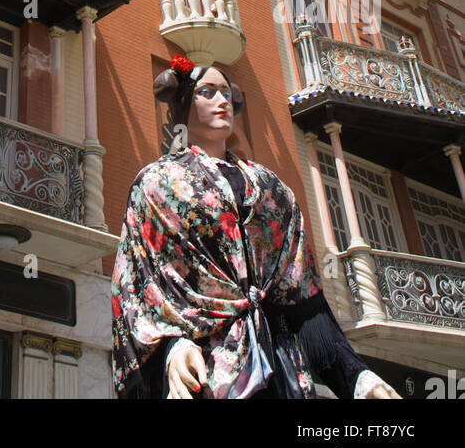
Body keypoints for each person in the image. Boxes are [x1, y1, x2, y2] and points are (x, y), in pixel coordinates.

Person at [111, 53, 401, 400]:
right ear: (184, 101)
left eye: (225, 93)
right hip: (206, 370)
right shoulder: (156, 185)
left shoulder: (272, 189)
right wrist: (171, 348)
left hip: (280, 367)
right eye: (207, 92)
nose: (222, 101)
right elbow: (138, 287)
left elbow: (303, 303)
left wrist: (358, 378)